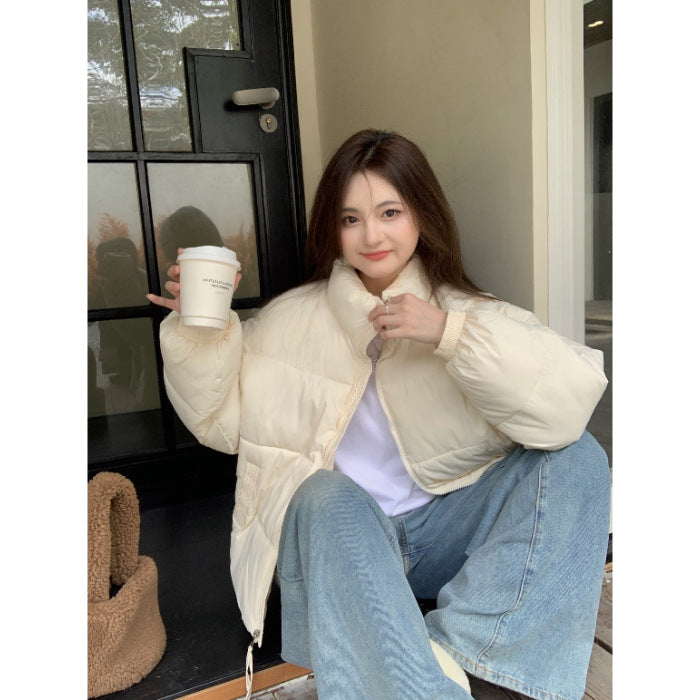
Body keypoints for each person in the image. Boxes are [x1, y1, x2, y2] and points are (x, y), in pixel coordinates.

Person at [147, 129, 610, 700]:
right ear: (333, 229)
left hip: (444, 535)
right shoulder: (287, 321)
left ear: (421, 215)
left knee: (576, 458)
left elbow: (567, 406)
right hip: (340, 547)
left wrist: (449, 334)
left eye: (390, 212)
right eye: (351, 219)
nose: (372, 235)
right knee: (322, 494)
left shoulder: (463, 311)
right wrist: (202, 333)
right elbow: (219, 426)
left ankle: (475, 666)